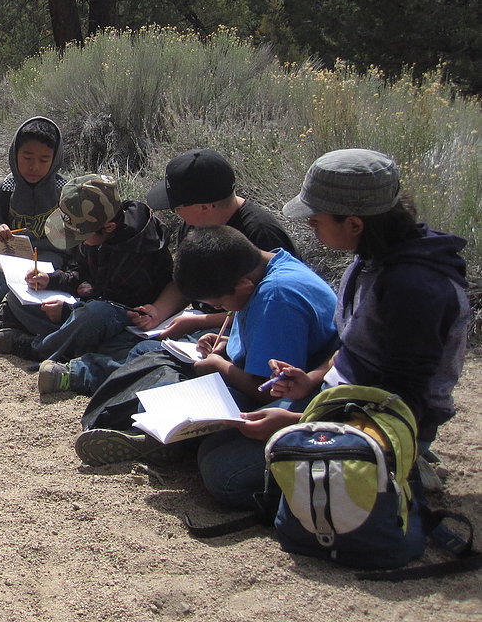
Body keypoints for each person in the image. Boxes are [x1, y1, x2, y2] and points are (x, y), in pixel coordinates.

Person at [199, 149, 470, 508]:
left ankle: (402, 466)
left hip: (390, 425)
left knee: (227, 474)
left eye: (316, 220)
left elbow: (403, 400)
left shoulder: (414, 290)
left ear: (354, 224)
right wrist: (310, 379)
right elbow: (354, 348)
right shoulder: (372, 260)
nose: (309, 226)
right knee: (211, 445)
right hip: (344, 401)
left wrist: (294, 421)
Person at [73, 225, 337, 470]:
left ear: (242, 284)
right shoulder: (268, 266)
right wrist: (226, 344)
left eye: (220, 304)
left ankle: (160, 437)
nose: (221, 310)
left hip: (291, 396)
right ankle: (156, 433)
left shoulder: (276, 297)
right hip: (275, 377)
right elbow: (260, 340)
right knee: (153, 356)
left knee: (218, 462)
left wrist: (219, 366)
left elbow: (268, 390)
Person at [8, 175, 171, 394]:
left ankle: (40, 348)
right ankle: (66, 341)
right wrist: (52, 279)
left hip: (126, 318)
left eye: (79, 236)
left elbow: (114, 302)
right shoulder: (93, 235)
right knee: (15, 297)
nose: (78, 242)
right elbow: (82, 273)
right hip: (89, 306)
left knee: (93, 315)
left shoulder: (138, 249)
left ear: (109, 227)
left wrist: (67, 312)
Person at [127, 148, 299, 343]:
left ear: (204, 207)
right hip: (201, 322)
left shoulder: (262, 233)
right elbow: (185, 282)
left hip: (242, 332)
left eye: (177, 208)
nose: (176, 213)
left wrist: (200, 322)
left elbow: (272, 308)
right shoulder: (194, 225)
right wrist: (158, 311)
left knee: (149, 354)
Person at [0, 117, 66, 327]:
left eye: (44, 160)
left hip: (48, 264)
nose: (34, 167)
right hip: (6, 263)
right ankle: (8, 310)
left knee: (36, 305)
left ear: (55, 159)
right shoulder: (1, 192)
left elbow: (75, 245)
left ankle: (8, 311)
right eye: (27, 157)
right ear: (14, 154)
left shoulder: (65, 193)